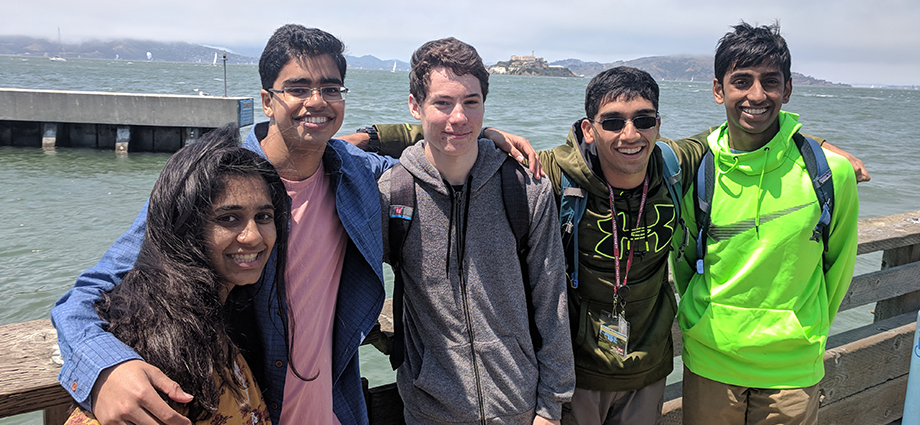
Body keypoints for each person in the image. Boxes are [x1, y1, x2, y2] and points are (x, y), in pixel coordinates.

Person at [51, 24, 539, 425]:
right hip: (243, 407)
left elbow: (431, 157)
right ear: (267, 100)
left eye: (330, 88)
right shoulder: (211, 178)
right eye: (298, 88)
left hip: (335, 409)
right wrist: (102, 370)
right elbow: (86, 296)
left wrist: (471, 134)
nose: (317, 101)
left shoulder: (359, 175)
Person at [350, 63, 867, 424]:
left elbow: (747, 126)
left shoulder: (676, 161)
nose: (629, 134)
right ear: (588, 127)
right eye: (613, 122)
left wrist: (814, 145)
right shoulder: (554, 171)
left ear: (659, 125)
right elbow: (451, 127)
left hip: (648, 367)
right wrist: (380, 135)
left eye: (644, 120)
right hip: (574, 373)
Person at [376, 37, 574, 424]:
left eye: (471, 102)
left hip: (520, 406)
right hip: (430, 409)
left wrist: (551, 406)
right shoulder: (392, 194)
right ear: (415, 106)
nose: (459, 117)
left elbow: (552, 301)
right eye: (442, 103)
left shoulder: (527, 189)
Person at [671, 22, 859, 425]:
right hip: (711, 359)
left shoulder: (831, 173)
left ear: (787, 89)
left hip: (792, 368)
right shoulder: (698, 171)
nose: (757, 95)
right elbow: (684, 260)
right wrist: (704, 318)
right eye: (742, 81)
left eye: (770, 82)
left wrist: (809, 329)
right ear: (719, 90)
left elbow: (839, 265)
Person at [64, 124, 285, 425]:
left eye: (264, 216)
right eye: (229, 218)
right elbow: (85, 293)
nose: (253, 236)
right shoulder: (161, 356)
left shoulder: (215, 327)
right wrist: (101, 365)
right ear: (186, 228)